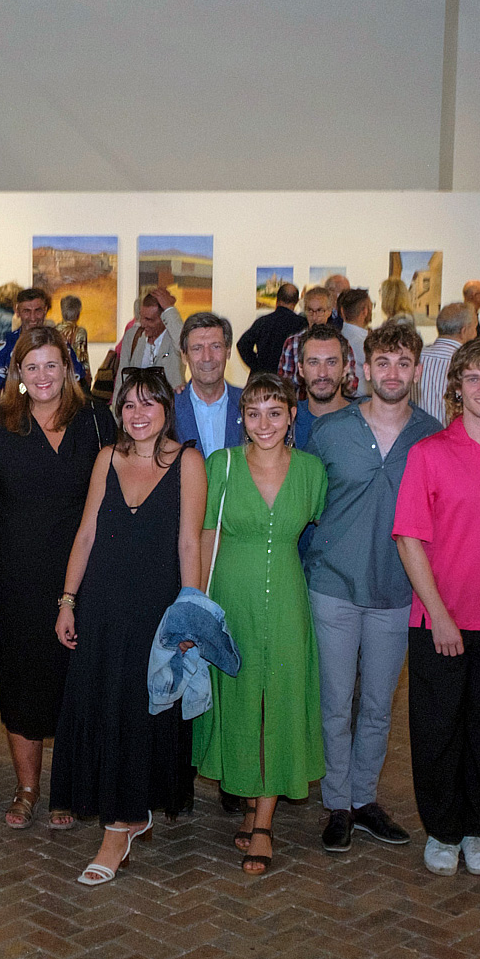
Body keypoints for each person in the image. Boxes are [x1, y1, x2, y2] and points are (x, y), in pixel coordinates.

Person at [51, 369, 207, 883]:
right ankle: (126, 816)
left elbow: (190, 544)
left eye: (149, 404)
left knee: (142, 713)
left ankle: (119, 829)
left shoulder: (188, 461)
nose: (139, 414)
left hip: (157, 608)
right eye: (130, 405)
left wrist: (189, 613)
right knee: (106, 707)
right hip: (101, 605)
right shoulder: (107, 458)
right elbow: (86, 533)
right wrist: (68, 600)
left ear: (166, 408)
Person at [393, 338, 480, 877]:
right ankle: (444, 829)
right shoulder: (429, 453)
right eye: (473, 378)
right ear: (456, 386)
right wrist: (441, 615)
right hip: (443, 618)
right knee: (437, 727)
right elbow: (409, 538)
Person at [0, 326, 116, 830]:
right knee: (23, 685)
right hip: (17, 579)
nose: (43, 375)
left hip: (85, 577)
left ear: (67, 369)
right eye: (32, 367)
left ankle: (68, 789)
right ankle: (28, 789)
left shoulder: (95, 420)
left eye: (52, 365)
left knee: (77, 683)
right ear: (18, 375)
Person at [303, 326, 439, 855]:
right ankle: (337, 803)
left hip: (397, 590)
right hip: (333, 584)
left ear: (417, 371)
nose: (392, 373)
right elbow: (310, 504)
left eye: (403, 363)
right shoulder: (331, 431)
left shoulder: (432, 436)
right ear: (365, 366)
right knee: (336, 702)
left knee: (379, 706)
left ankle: (364, 800)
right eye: (383, 362)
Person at [197, 374, 327, 875]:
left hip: (288, 600)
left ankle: (265, 824)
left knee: (281, 698)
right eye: (254, 413)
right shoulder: (222, 466)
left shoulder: (313, 472)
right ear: (241, 418)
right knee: (240, 697)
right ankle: (252, 799)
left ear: (293, 415)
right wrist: (200, 604)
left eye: (276, 412)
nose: (265, 423)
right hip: (231, 596)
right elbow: (206, 534)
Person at [173, 312, 244, 454]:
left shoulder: (248, 403)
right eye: (197, 348)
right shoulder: (169, 408)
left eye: (215, 346)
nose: (207, 357)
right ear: (184, 356)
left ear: (228, 351)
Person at [0, 286, 53, 405]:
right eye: (26, 311)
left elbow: (74, 387)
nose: (33, 317)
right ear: (17, 311)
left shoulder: (59, 346)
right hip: (15, 417)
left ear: (45, 310)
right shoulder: (3, 348)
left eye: (38, 310)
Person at [292, 326, 354, 450]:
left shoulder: (361, 421)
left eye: (331, 362)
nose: (322, 373)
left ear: (345, 368)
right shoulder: (286, 420)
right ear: (301, 369)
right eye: (313, 362)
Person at [417, 302, 474, 426]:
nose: (475, 335)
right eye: (474, 328)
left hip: (416, 438)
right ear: (464, 331)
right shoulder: (468, 365)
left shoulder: (415, 358)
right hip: (451, 440)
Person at [274, 286, 340, 388]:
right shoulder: (292, 343)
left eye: (319, 311)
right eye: (310, 311)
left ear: (329, 312)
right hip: (300, 401)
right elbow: (284, 384)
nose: (314, 317)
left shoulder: (340, 343)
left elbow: (351, 384)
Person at [119, 288, 183, 392]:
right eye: (142, 317)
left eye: (149, 320)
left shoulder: (173, 337)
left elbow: (184, 346)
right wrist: (118, 407)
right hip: (138, 406)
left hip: (169, 406)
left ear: (164, 318)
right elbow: (121, 381)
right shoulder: (132, 336)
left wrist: (169, 309)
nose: (143, 324)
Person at [238, 282, 305, 378]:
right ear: (297, 301)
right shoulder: (301, 324)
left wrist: (257, 367)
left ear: (277, 299)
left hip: (262, 379)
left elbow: (242, 344)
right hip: (286, 381)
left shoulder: (262, 321)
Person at [337, 289, 373, 381]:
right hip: (364, 394)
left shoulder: (336, 338)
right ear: (365, 311)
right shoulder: (367, 344)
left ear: (342, 311)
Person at [54, 294, 91, 384]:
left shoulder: (53, 330)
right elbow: (82, 356)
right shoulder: (80, 331)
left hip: (57, 375)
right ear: (78, 313)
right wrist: (88, 377)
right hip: (74, 377)